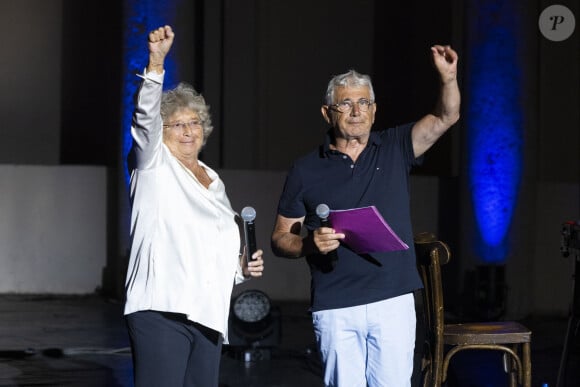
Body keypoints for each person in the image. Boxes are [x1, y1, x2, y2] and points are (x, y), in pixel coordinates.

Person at [271, 45, 460, 387]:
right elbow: (281, 238)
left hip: (393, 299)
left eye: (364, 103)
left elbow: (446, 117)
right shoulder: (305, 169)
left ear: (374, 111)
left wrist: (448, 78)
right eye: (345, 103)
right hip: (335, 304)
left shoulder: (396, 147)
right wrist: (308, 245)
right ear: (328, 113)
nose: (356, 111)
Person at [123, 25, 265, 387]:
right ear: (162, 131)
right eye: (177, 125)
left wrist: (241, 268)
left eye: (195, 123)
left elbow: (211, 245)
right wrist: (156, 63)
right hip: (161, 309)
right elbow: (143, 120)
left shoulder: (214, 181)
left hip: (208, 314)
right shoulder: (152, 164)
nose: (189, 131)